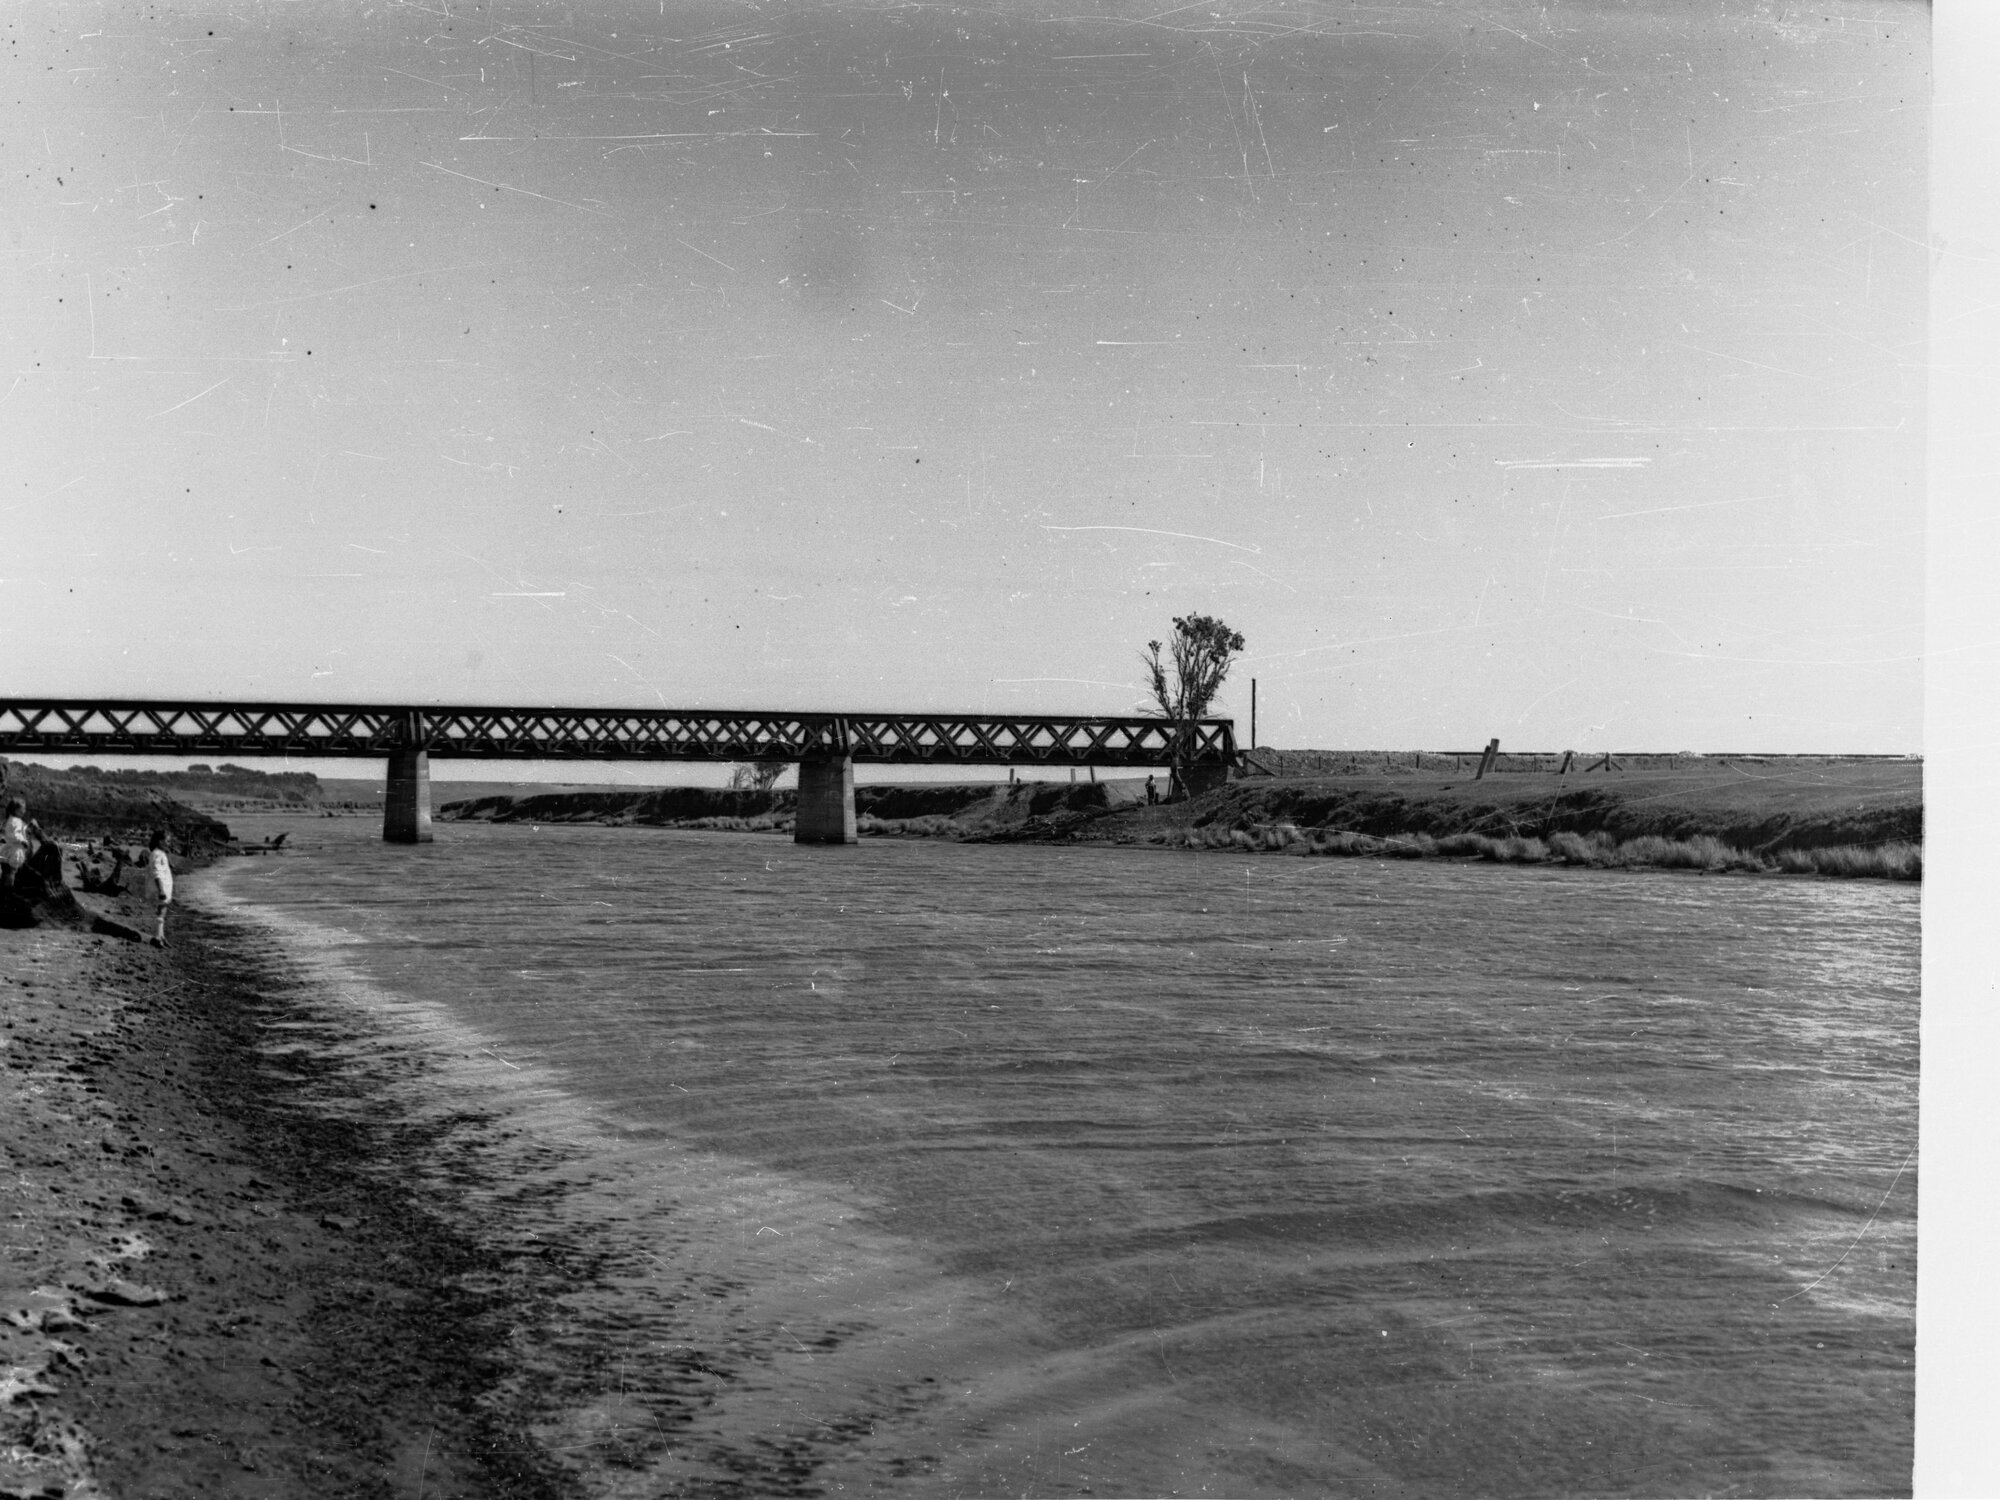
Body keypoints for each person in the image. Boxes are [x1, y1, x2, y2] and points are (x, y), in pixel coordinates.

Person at [145, 830, 174, 949]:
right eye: (167, 841)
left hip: (163, 887)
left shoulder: (159, 853)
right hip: (160, 887)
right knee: (161, 911)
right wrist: (161, 889)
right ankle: (158, 936)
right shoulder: (157, 854)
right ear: (159, 841)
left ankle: (161, 935)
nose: (168, 843)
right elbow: (156, 872)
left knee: (163, 910)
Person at [1, 800, 28, 889]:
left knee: (6, 871)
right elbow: (15, 834)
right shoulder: (16, 821)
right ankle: (8, 890)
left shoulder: (10, 819)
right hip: (14, 850)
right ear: (16, 811)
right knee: (12, 871)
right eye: (22, 810)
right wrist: (23, 841)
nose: (24, 812)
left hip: (7, 849)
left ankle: (4, 888)